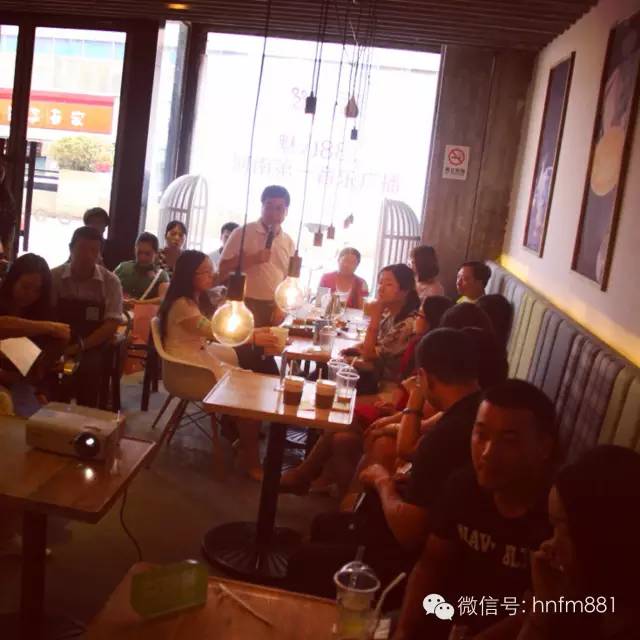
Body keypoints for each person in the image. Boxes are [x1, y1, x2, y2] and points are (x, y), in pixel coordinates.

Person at [285, 328, 482, 599]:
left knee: (301, 559)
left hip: (410, 564)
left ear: (423, 376)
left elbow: (409, 534)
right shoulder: (476, 408)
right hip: (456, 556)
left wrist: (382, 481)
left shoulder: (445, 436)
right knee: (323, 523)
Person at [395, 379, 557, 640]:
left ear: (544, 447)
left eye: (509, 441)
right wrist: (404, 631)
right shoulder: (463, 486)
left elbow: (540, 610)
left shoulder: (555, 516)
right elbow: (431, 565)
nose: (488, 453)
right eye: (481, 435)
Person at [158, 250, 280, 479]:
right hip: (190, 370)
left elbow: (216, 330)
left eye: (211, 270)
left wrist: (256, 331)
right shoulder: (183, 305)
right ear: (189, 275)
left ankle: (244, 443)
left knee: (250, 384)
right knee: (248, 395)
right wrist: (254, 337)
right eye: (205, 272)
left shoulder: (191, 300)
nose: (212, 275)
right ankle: (250, 457)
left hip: (199, 359)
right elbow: (215, 332)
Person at [518, 445, 640, 640]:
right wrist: (543, 605)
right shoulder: (582, 605)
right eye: (552, 527)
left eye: (562, 528)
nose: (549, 545)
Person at [51, 226, 123, 408]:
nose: (88, 255)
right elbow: (45, 313)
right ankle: (52, 411)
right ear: (70, 248)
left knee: (87, 368)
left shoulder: (111, 282)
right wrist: (61, 347)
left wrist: (78, 347)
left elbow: (111, 324)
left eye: (94, 250)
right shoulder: (54, 277)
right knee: (49, 367)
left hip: (92, 345)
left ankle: (86, 413)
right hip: (57, 340)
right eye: (82, 248)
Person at [0, 254, 70, 414]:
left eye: (37, 290)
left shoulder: (44, 310)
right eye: (25, 287)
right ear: (13, 281)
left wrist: (41, 389)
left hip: (25, 382)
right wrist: (46, 327)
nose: (30, 294)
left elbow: (43, 368)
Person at [218, 185, 295, 327]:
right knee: (241, 340)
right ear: (262, 206)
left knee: (270, 341)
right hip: (243, 304)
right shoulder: (242, 233)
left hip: (273, 307)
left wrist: (280, 306)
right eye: (269, 206)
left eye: (279, 208)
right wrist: (253, 259)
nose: (273, 213)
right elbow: (222, 269)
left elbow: (287, 279)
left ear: (286, 211)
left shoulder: (288, 241)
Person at [114, 232, 169, 308]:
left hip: (144, 314)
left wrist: (139, 303)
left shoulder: (161, 275)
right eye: (139, 253)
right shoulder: (122, 267)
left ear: (156, 253)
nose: (142, 257)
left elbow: (163, 299)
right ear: (135, 249)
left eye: (147, 254)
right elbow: (107, 287)